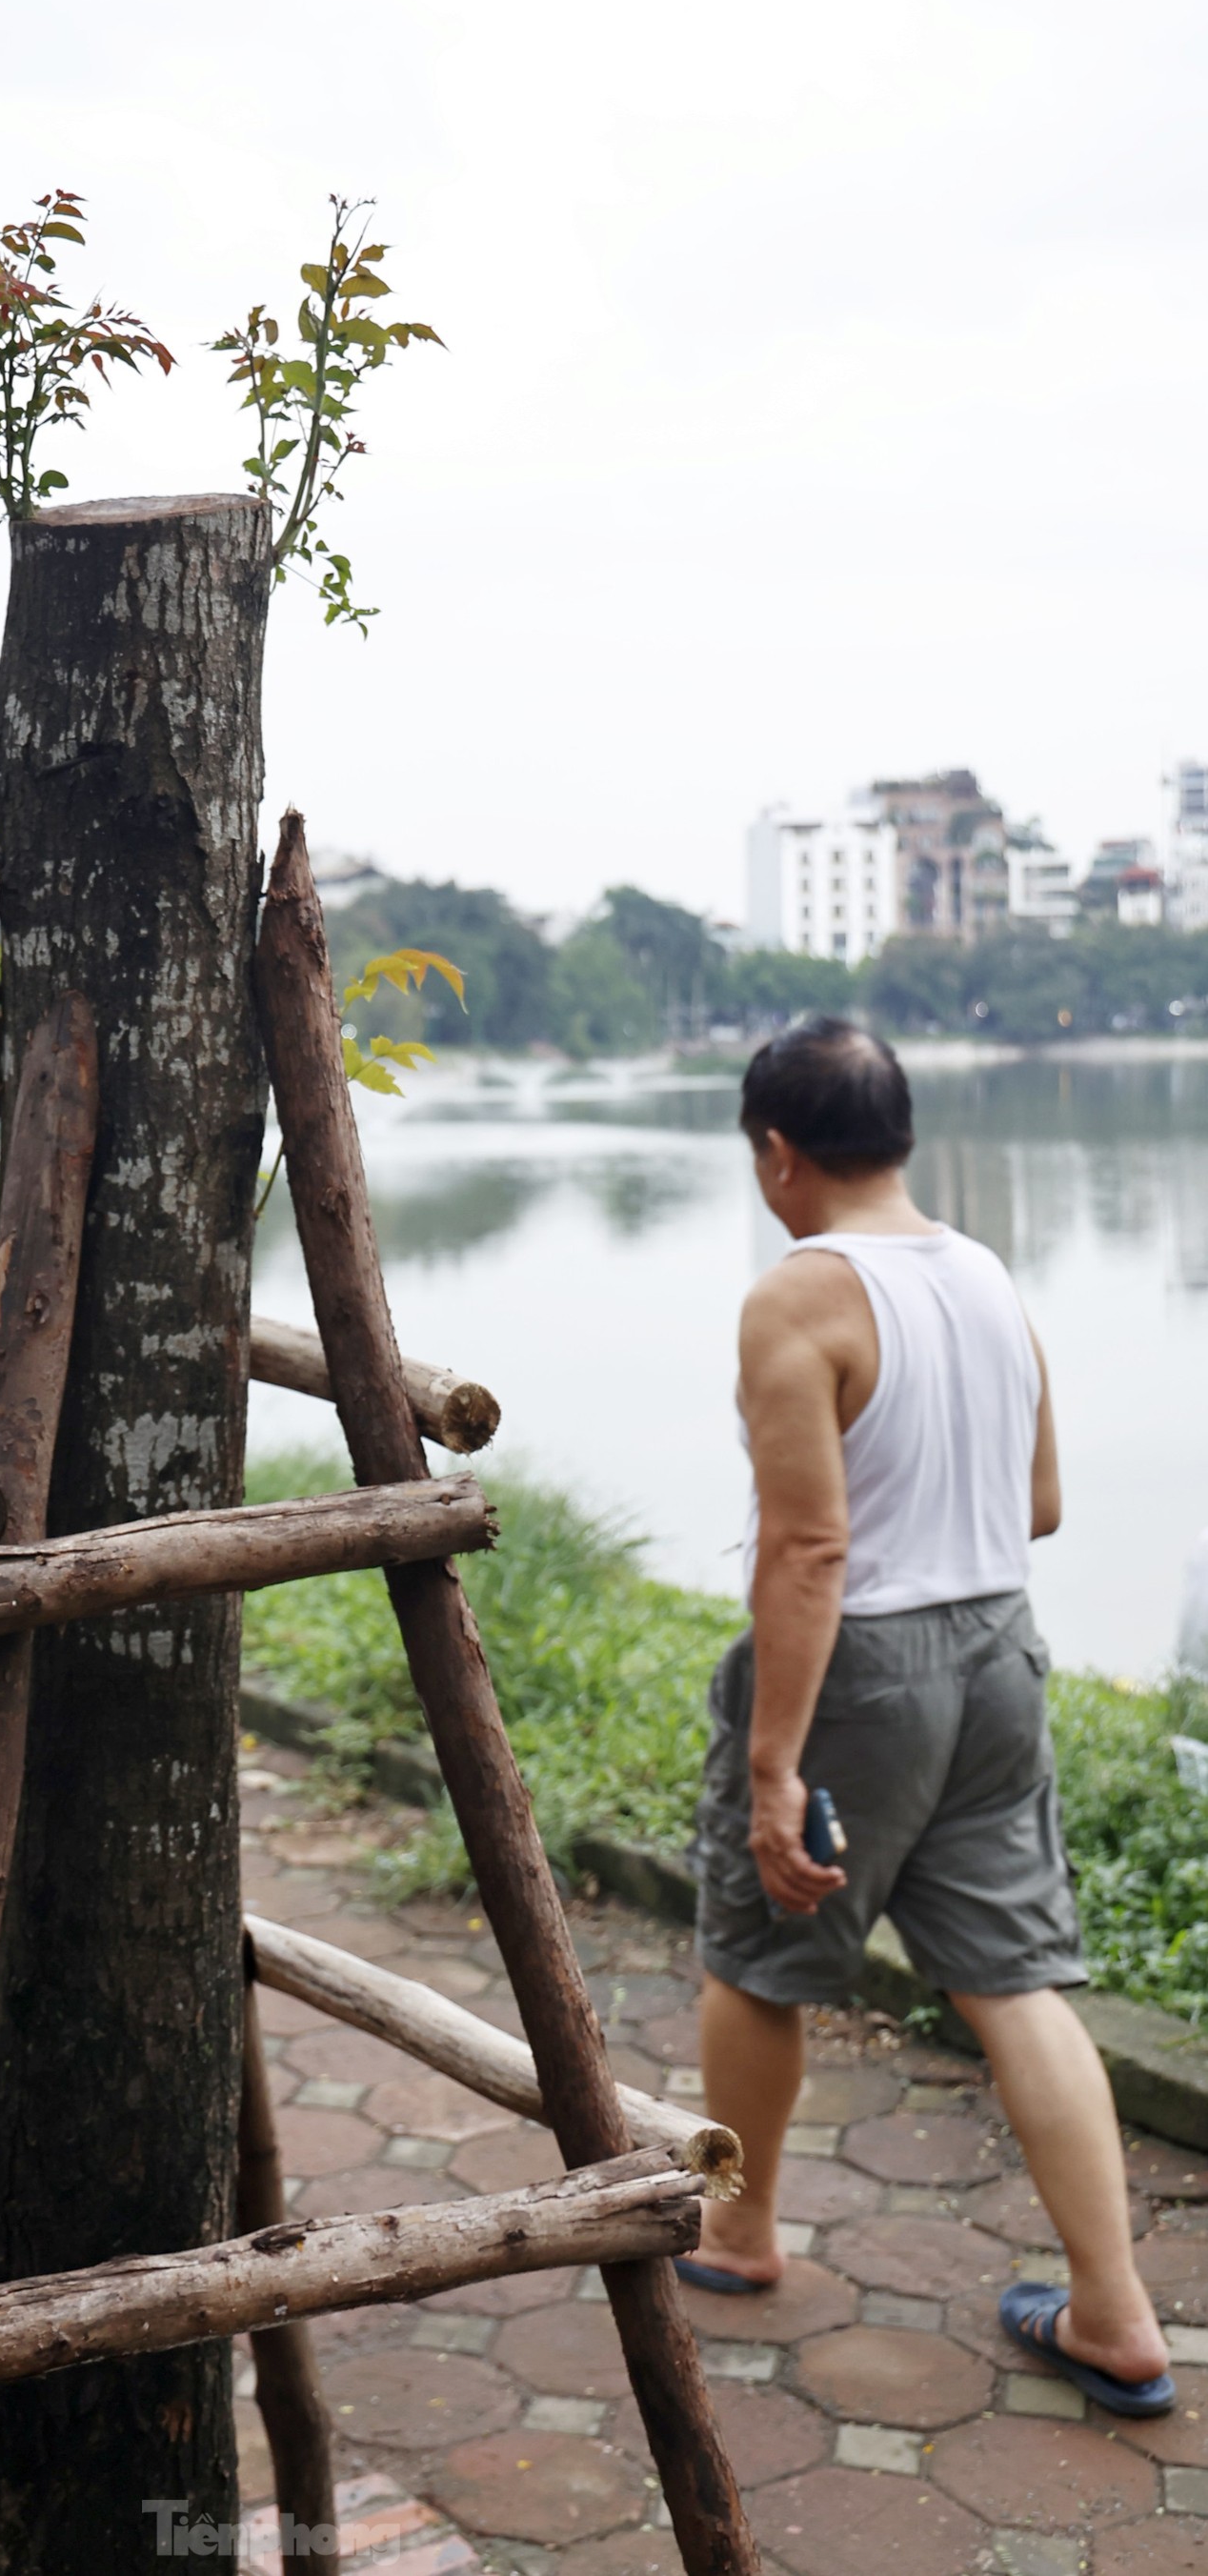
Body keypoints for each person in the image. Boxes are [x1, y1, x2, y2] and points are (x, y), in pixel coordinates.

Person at [686, 1015, 1172, 2418]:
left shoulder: (797, 1294)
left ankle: (736, 2229)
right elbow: (1040, 1503)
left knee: (761, 1945)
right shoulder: (980, 1271)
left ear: (776, 1153)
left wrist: (774, 1766)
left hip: (867, 1667)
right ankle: (1112, 2310)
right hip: (1000, 1650)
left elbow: (807, 1551)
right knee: (1012, 1975)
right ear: (894, 1135)